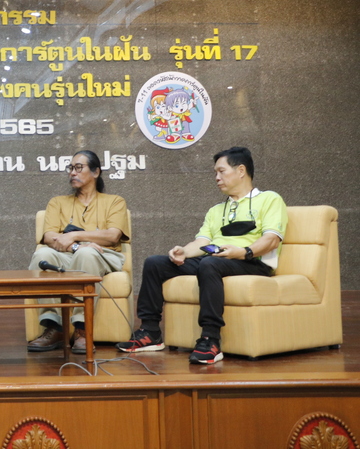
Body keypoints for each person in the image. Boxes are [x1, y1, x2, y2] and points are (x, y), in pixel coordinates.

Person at [117, 146, 287, 364]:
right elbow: (203, 242)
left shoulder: (269, 199)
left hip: (252, 261)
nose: (217, 177)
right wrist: (184, 252)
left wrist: (243, 252)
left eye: (221, 171)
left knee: (209, 264)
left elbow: (272, 238)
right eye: (215, 173)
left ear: (241, 170)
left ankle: (210, 339)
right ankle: (150, 332)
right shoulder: (216, 210)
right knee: (155, 263)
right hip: (217, 259)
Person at [27, 150, 129, 354]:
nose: (72, 172)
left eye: (78, 168)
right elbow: (49, 236)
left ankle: (82, 329)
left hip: (104, 255)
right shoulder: (57, 202)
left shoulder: (115, 201)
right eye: (71, 168)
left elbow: (112, 236)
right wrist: (77, 246)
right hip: (67, 254)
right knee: (42, 256)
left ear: (96, 172)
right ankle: (55, 328)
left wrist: (74, 236)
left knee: (87, 254)